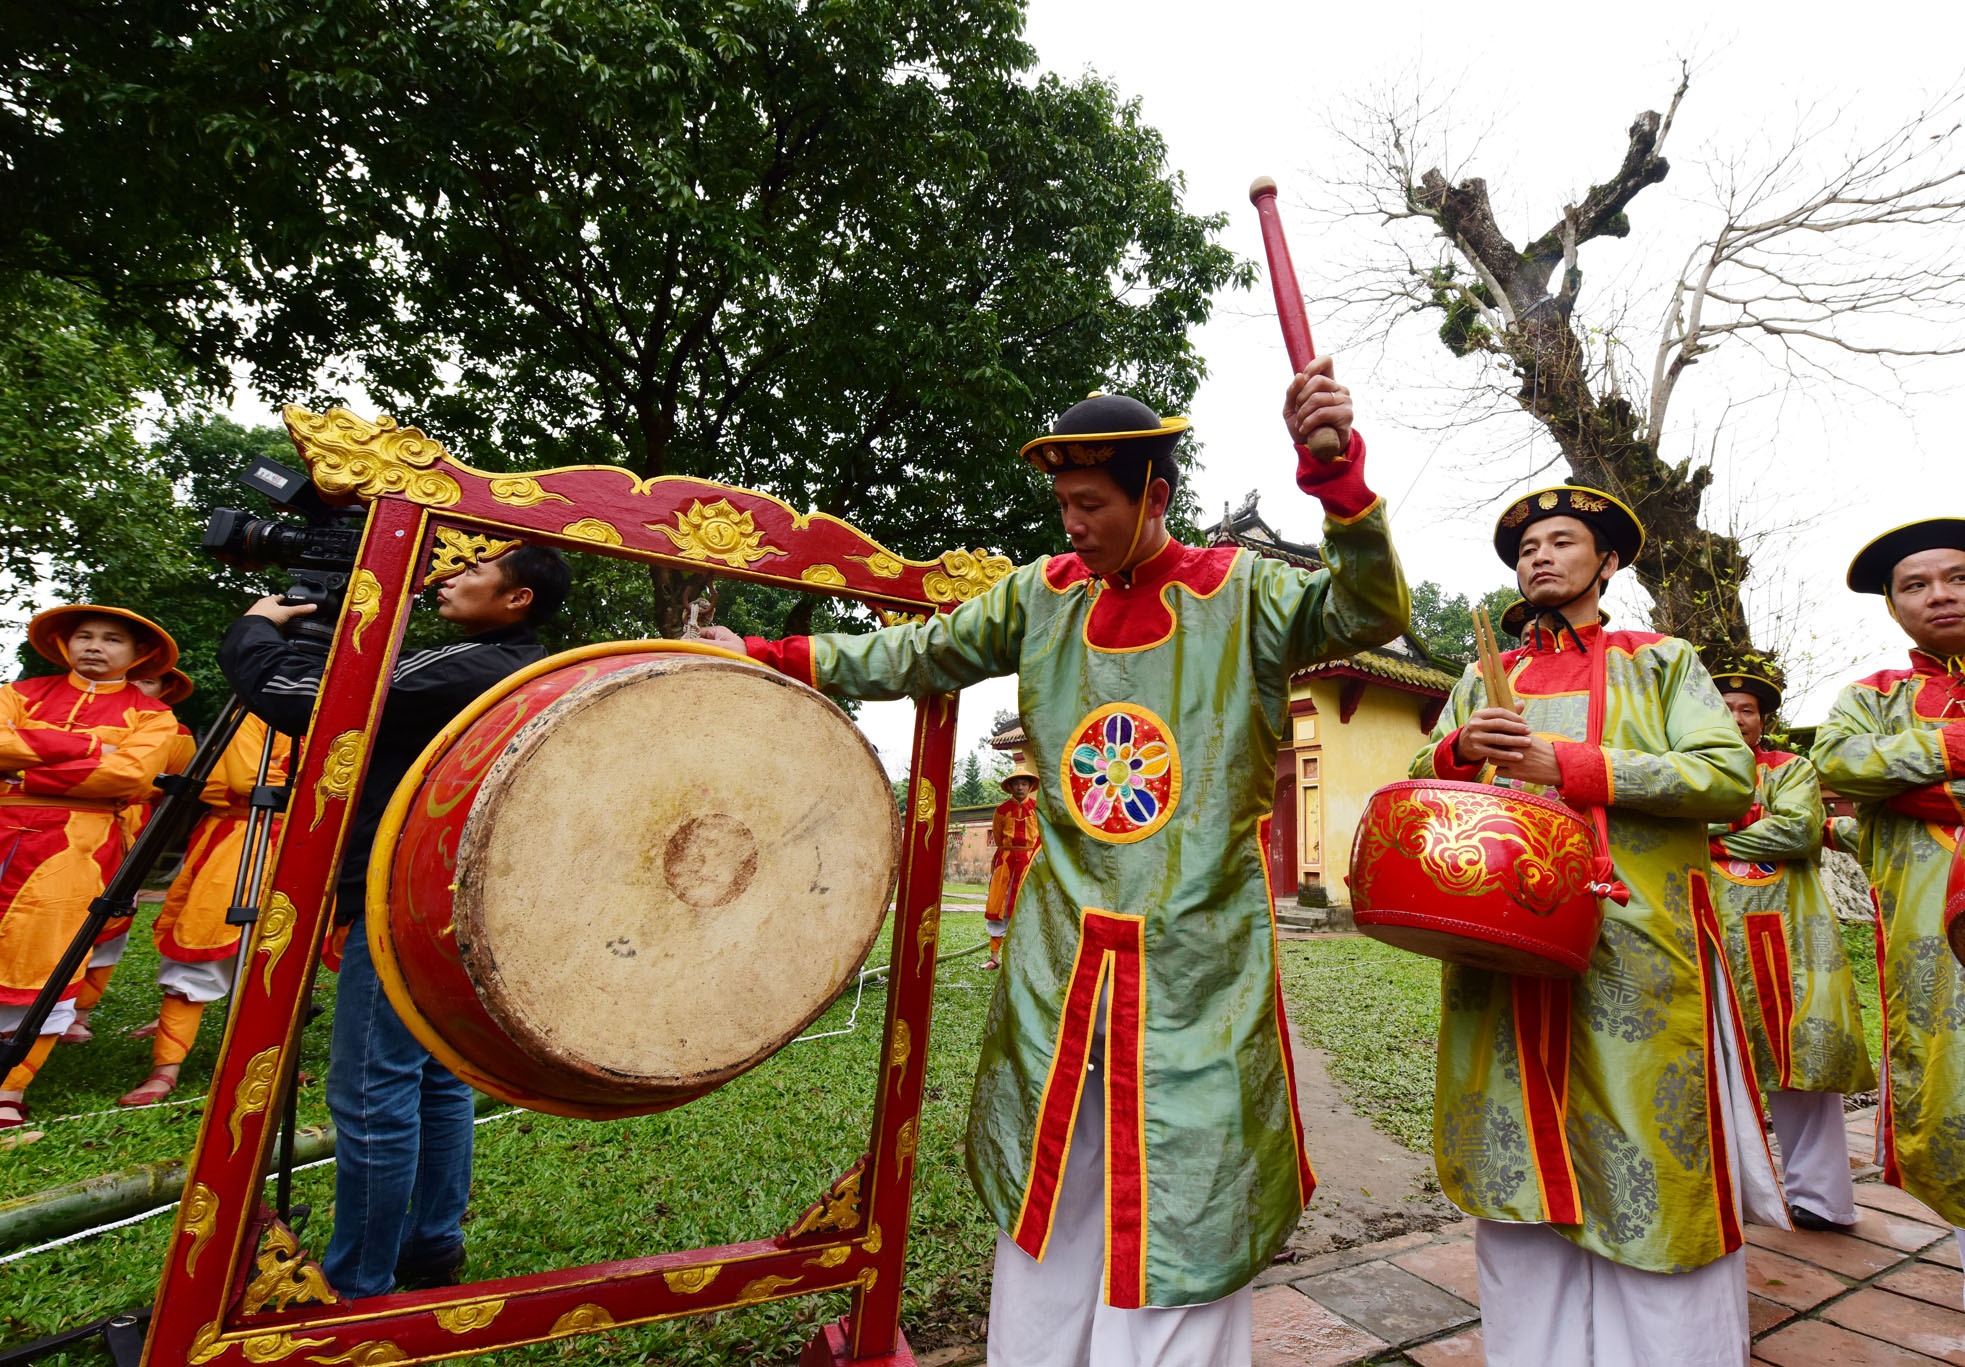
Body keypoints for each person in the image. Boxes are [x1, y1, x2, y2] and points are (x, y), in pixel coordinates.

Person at [702, 358, 1407, 1367]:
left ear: (1155, 496)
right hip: (1059, 956)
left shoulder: (1245, 594)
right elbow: (920, 653)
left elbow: (1370, 611)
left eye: (1092, 504)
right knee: (1051, 1186)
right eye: (1063, 504)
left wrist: (1337, 479)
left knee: (1182, 1202)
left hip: (1194, 961)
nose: (1072, 524)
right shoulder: (1044, 595)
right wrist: (772, 656)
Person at [1410, 488, 1776, 1367]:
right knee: (1515, 1165)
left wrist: (1566, 762)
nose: (1539, 555)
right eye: (1526, 545)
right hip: (1500, 948)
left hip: (1633, 950)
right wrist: (1459, 750)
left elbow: (1728, 778)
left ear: (1606, 562)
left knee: (1644, 1160)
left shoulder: (1662, 662)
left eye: (1561, 540)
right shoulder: (1482, 676)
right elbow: (1423, 771)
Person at [220, 544, 570, 1296]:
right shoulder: (520, 671)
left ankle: (357, 1285)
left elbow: (294, 694)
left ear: (517, 600)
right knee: (435, 1078)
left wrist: (255, 625)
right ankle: (430, 1245)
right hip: (463, 902)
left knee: (373, 1090)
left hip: (402, 900)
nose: (449, 574)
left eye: (473, 569)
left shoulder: (466, 670)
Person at [1810, 517, 1965, 1285]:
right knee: (1951, 1082)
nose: (1937, 594)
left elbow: (1872, 779)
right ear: (1893, 606)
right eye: (1915, 584)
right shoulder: (1872, 697)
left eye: (1956, 576)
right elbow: (1837, 763)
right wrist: (1945, 748)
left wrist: (1914, 790)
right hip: (1930, 931)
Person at [0, 606, 182, 1131]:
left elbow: (125, 776)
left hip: (76, 849)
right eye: (84, 636)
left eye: (111, 639)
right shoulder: (22, 692)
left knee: (47, 958)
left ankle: (10, 1087)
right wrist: (87, 745)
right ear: (65, 644)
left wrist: (20, 773)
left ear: (139, 655)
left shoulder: (153, 717)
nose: (94, 646)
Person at [1708, 668, 1875, 1232]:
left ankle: (1822, 1198)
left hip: (1788, 934)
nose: (1735, 718)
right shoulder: (1690, 769)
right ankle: (1730, 1192)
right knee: (1714, 1063)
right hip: (1707, 931)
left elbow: (1798, 833)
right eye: (1724, 707)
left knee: (1803, 1057)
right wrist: (1746, 822)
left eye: (1747, 710)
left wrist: (1704, 836)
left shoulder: (1788, 768)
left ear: (1763, 720)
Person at [117, 709, 291, 1107]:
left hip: (302, 841)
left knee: (277, 962)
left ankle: (265, 1063)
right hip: (239, 839)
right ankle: (166, 1069)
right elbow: (250, 780)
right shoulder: (256, 709)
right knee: (200, 952)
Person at [59, 668, 198, 1046]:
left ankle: (80, 1013)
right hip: (56, 825)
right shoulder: (73, 716)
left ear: (165, 690)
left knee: (109, 924)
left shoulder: (175, 733)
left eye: (148, 681)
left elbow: (168, 784)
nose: (136, 686)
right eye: (129, 678)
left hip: (127, 832)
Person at [982, 760, 1041, 970]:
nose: (1020, 787)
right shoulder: (1001, 810)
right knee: (999, 906)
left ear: (1029, 786)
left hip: (1028, 863)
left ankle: (1021, 957)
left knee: (1025, 907)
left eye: (1024, 783)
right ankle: (994, 957)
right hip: (1006, 862)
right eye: (1016, 784)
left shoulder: (1037, 809)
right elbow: (998, 837)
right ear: (1011, 786)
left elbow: (1042, 837)